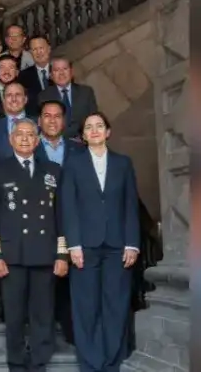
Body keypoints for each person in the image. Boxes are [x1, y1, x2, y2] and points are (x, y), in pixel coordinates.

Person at [0, 120, 69, 372]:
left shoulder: (53, 170)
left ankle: (40, 361)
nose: (24, 138)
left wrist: (62, 254)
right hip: (12, 254)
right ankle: (17, 362)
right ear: (11, 139)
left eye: (30, 134)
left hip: (45, 252)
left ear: (37, 140)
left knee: (43, 314)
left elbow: (61, 215)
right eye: (19, 134)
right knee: (14, 315)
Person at [63, 113, 141, 372]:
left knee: (115, 304)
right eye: (89, 127)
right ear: (83, 135)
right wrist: (73, 245)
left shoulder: (123, 163)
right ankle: (90, 361)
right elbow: (69, 207)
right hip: (84, 246)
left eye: (99, 126)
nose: (94, 131)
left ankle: (111, 361)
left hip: (118, 246)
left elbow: (131, 205)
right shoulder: (73, 164)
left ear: (108, 132)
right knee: (86, 306)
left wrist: (132, 243)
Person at [35, 98, 84, 343]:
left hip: (72, 222)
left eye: (57, 116)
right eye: (47, 115)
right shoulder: (29, 149)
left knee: (70, 283)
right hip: (39, 224)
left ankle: (71, 332)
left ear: (64, 121)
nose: (52, 120)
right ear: (39, 120)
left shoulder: (79, 149)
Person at [43, 57, 99, 139]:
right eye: (57, 70)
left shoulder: (86, 92)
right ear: (51, 75)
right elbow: (46, 126)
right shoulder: (44, 97)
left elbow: (94, 119)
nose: (61, 73)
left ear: (71, 72)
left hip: (86, 141)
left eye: (65, 69)